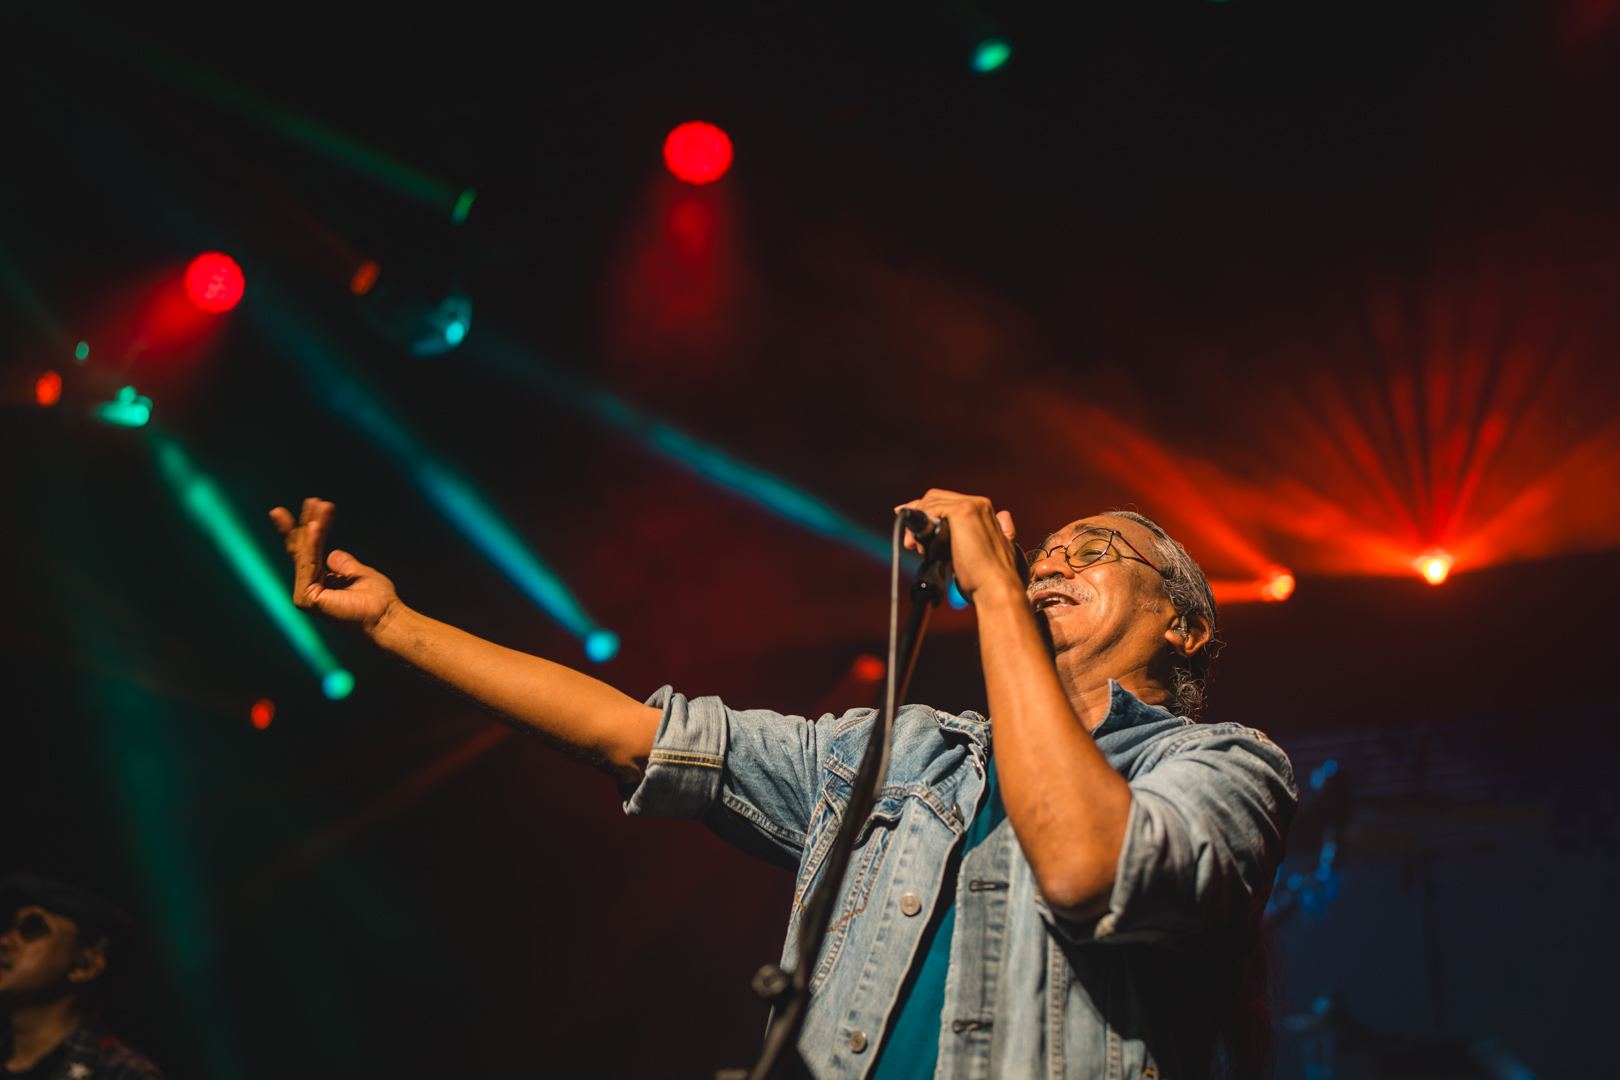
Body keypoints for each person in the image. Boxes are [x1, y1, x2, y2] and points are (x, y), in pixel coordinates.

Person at [271, 489, 1296, 1079]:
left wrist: (989, 591)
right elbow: (634, 737)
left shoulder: (1218, 767)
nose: (1053, 560)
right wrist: (394, 626)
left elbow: (1083, 866)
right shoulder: (908, 749)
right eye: (1047, 551)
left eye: (1098, 552)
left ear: (1187, 625)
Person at [0, 876, 163, 1080]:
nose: (4, 940)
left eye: (33, 926)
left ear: (85, 965)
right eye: (7, 927)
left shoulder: (123, 1073)